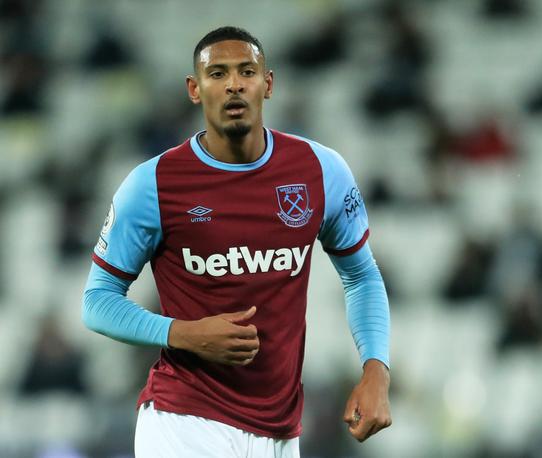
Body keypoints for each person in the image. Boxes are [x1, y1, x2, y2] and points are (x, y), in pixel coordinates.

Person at [82, 26, 391, 458]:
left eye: (247, 71)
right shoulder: (153, 185)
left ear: (268, 84)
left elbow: (362, 276)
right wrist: (182, 333)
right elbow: (97, 301)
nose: (233, 84)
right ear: (195, 89)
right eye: (217, 74)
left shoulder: (321, 171)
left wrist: (376, 367)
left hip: (280, 432)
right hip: (184, 422)